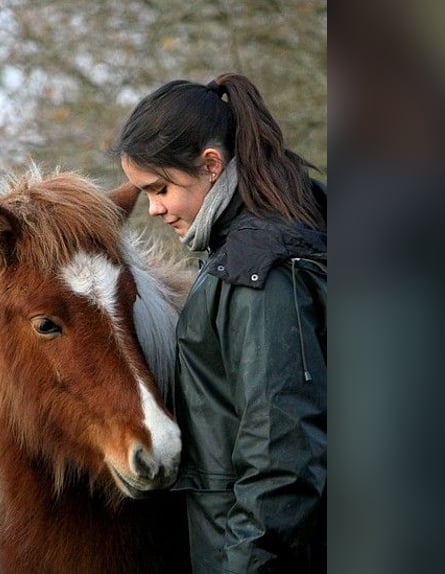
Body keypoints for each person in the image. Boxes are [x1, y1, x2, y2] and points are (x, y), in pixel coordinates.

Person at [112, 72, 327, 573]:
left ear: (211, 165)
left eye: (161, 187)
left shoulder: (260, 271)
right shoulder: (276, 242)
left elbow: (282, 461)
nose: (154, 208)